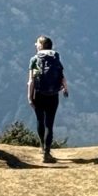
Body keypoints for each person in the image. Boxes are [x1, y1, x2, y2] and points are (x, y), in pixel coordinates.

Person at [27, 35, 68, 163]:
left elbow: (31, 81)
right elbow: (61, 76)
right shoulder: (55, 57)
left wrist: (29, 97)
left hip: (39, 94)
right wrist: (65, 89)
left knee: (40, 120)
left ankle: (42, 146)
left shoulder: (34, 59)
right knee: (49, 124)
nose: (35, 45)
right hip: (53, 95)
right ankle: (47, 152)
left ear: (41, 45)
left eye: (37, 44)